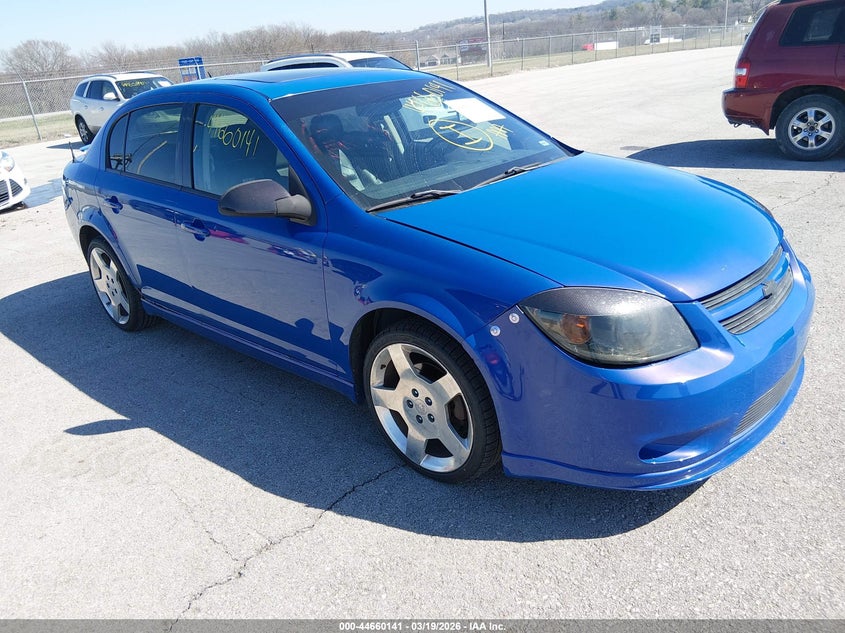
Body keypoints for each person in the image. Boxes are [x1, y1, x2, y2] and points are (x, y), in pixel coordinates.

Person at [309, 113, 381, 191]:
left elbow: (377, 185)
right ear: (313, 139)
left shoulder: (360, 155)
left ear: (340, 133)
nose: (327, 138)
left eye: (332, 133)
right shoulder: (312, 167)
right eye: (321, 135)